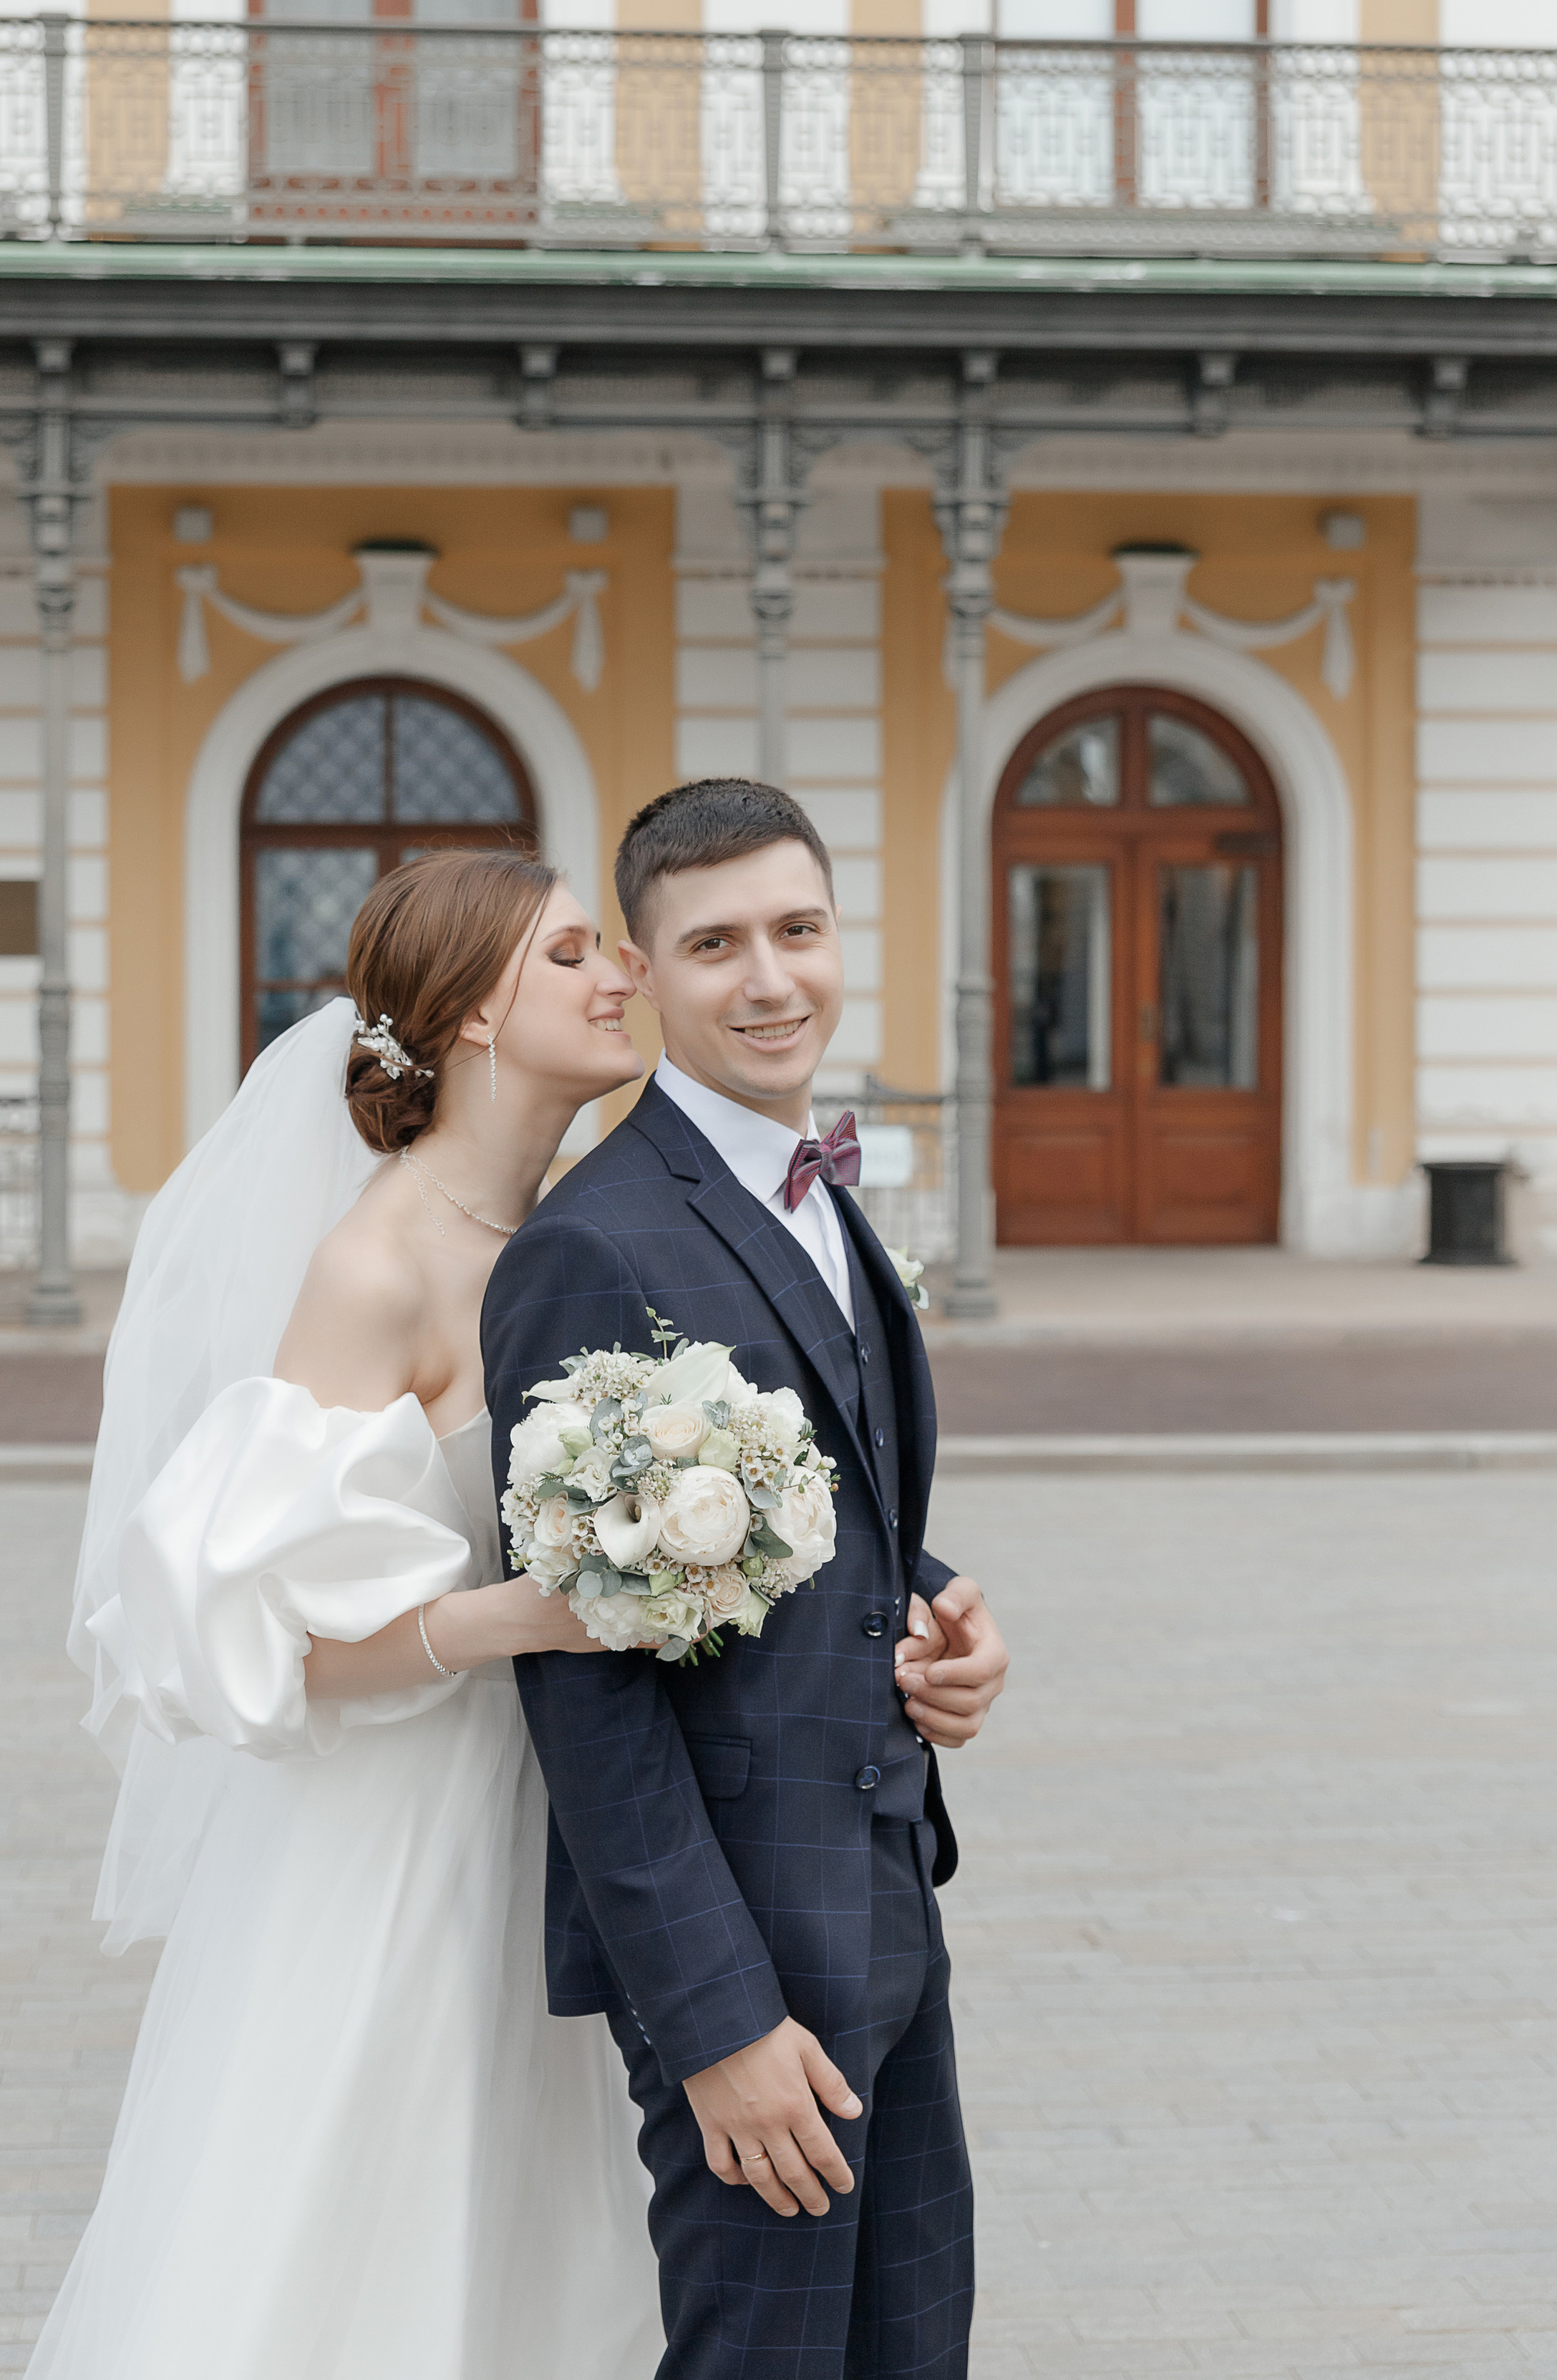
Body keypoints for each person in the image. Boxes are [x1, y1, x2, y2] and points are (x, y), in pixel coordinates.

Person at [29, 847, 665, 2380]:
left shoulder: (579, 1226)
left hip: (560, 1819)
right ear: (469, 1019)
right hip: (406, 1840)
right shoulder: (375, 1267)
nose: (621, 975)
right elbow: (243, 1638)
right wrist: (506, 1620)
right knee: (370, 2222)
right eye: (574, 953)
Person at [483, 778, 1011, 2380]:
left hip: (883, 1897)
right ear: (640, 973)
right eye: (713, 944)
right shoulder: (597, 1243)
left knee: (911, 2348)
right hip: (745, 1952)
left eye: (796, 929)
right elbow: (582, 1667)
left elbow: (803, 1508)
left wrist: (934, 1617)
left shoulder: (818, 1189)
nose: (768, 978)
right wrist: (711, 2021)